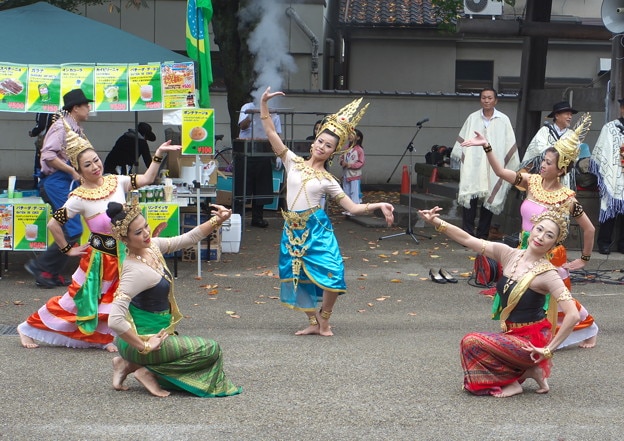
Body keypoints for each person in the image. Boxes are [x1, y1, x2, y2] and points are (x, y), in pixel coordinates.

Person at [17, 118, 180, 350]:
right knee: (76, 300)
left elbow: (146, 179)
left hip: (124, 252)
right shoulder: (79, 197)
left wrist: (158, 154)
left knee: (118, 299)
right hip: (98, 259)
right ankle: (28, 327)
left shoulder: (117, 182)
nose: (95, 167)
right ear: (79, 169)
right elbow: (54, 224)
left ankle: (107, 338)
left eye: (96, 160)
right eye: (88, 165)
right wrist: (68, 249)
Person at [259, 87, 395, 336]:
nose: (322, 146)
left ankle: (325, 318)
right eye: (320, 141)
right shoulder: (292, 161)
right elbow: (270, 132)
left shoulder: (329, 180)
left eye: (328, 145)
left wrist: (378, 204)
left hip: (317, 229)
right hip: (292, 229)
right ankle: (313, 323)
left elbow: (352, 208)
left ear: (334, 151)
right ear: (314, 141)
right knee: (294, 274)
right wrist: (264, 104)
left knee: (334, 274)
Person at [460, 113, 599, 349]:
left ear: (561, 168)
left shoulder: (566, 198)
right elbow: (501, 172)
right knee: (519, 292)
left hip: (549, 253)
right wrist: (487, 146)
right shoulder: (531, 182)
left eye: (549, 163)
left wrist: (584, 259)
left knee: (554, 298)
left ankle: (585, 328)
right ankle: (520, 332)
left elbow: (589, 228)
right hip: (525, 247)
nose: (543, 165)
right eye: (543, 160)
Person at [418, 205, 580, 397]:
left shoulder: (548, 274)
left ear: (553, 244)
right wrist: (436, 221)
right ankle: (526, 371)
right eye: (540, 229)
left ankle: (515, 381)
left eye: (549, 235)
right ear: (532, 228)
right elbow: (468, 239)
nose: (541, 237)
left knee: (471, 342)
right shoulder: (509, 254)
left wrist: (547, 350)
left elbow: (573, 315)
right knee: (474, 349)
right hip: (511, 334)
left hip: (530, 343)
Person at [107, 201, 242, 398]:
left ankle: (128, 364)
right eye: (138, 232)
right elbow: (114, 320)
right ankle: (147, 371)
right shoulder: (134, 270)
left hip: (158, 336)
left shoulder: (151, 247)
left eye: (145, 226)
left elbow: (188, 238)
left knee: (191, 349)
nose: (145, 233)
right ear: (125, 239)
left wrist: (217, 220)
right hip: (143, 342)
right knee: (211, 350)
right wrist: (144, 345)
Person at [24, 89, 92, 288]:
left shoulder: (75, 129)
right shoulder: (60, 127)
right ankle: (41, 266)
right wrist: (71, 171)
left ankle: (49, 273)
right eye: (86, 105)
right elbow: (47, 156)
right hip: (56, 183)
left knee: (67, 229)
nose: (89, 108)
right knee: (73, 228)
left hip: (64, 183)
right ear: (75, 108)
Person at [449, 88, 519, 239]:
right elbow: (463, 142)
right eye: (483, 98)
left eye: (489, 98)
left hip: (495, 165)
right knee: (470, 200)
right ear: (480, 100)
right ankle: (467, 235)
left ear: (496, 100)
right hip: (474, 164)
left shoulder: (503, 119)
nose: (486, 100)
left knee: (489, 201)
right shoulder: (472, 118)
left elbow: (508, 144)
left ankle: (482, 235)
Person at [236, 99, 282, 228]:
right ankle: (238, 217)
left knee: (261, 186)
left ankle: (257, 218)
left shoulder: (273, 112)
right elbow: (242, 126)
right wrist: (253, 114)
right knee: (242, 186)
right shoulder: (247, 106)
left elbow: (277, 135)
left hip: (263, 149)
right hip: (245, 150)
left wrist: (279, 155)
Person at [590, 98, 624, 255]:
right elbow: (601, 152)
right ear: (621, 109)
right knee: (609, 208)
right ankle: (603, 243)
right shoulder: (610, 128)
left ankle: (622, 244)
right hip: (613, 173)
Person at [521, 101, 578, 190]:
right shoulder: (544, 131)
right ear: (557, 115)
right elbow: (538, 149)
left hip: (563, 175)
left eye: (571, 115)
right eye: (567, 114)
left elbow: (574, 155)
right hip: (544, 172)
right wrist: (559, 152)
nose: (570, 117)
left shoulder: (572, 135)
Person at [339, 128, 365, 213]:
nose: (350, 136)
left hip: (354, 175)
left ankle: (355, 209)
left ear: (358, 138)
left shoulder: (359, 150)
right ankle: (348, 208)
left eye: (352, 134)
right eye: (349, 134)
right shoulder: (346, 147)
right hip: (346, 174)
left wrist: (350, 165)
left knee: (354, 192)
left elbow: (361, 163)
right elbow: (342, 157)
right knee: (346, 192)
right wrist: (342, 162)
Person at [28, 112, 57, 188]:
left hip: (45, 141)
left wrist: (33, 132)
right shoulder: (59, 107)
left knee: (40, 164)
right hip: (57, 140)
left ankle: (39, 186)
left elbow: (41, 125)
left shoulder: (43, 108)